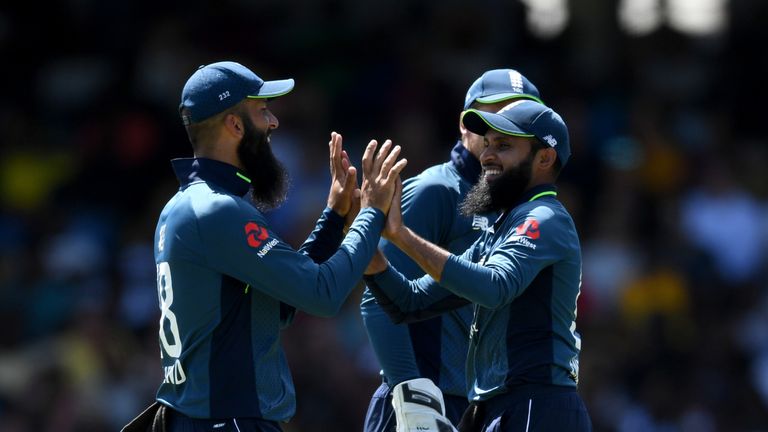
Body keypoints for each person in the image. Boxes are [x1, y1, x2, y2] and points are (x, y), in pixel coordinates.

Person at [122, 61, 407, 432]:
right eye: (262, 110)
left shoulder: (186, 206)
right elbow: (322, 294)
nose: (273, 122)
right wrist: (371, 213)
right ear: (235, 125)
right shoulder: (218, 210)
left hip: (203, 419)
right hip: (227, 421)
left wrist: (335, 217)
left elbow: (282, 303)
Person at [364, 99, 592, 431]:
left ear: (544, 157)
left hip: (537, 406)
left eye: (503, 145)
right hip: (500, 406)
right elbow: (409, 303)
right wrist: (370, 251)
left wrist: (402, 236)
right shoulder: (501, 228)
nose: (486, 155)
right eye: (486, 144)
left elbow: (493, 286)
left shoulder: (545, 218)